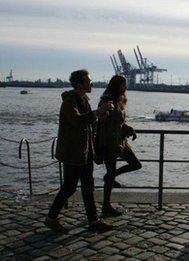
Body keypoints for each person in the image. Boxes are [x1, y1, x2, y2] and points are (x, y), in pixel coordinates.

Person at [45, 69, 114, 233]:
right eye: (88, 81)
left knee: (88, 186)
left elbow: (89, 124)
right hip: (72, 153)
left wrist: (100, 117)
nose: (92, 83)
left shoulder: (84, 100)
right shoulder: (69, 102)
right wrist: (98, 112)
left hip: (85, 152)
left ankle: (94, 221)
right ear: (79, 84)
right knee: (69, 187)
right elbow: (77, 121)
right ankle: (51, 218)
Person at [96, 75, 141, 217]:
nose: (126, 88)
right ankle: (106, 206)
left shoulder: (119, 100)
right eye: (123, 85)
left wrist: (128, 128)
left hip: (121, 142)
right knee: (110, 173)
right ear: (116, 86)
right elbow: (101, 124)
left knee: (136, 164)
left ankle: (111, 177)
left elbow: (118, 122)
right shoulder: (107, 101)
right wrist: (100, 144)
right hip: (110, 143)